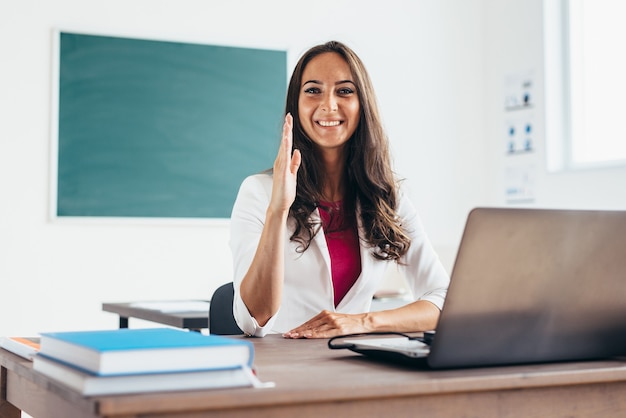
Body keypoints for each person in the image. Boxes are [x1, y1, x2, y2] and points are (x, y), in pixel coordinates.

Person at [229, 41, 449, 338]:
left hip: (354, 367)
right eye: (312, 90)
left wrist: (364, 321)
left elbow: (442, 298)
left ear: (362, 104)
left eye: (344, 91)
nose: (328, 105)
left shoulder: (387, 198)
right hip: (281, 368)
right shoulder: (258, 192)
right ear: (296, 104)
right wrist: (278, 210)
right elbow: (253, 317)